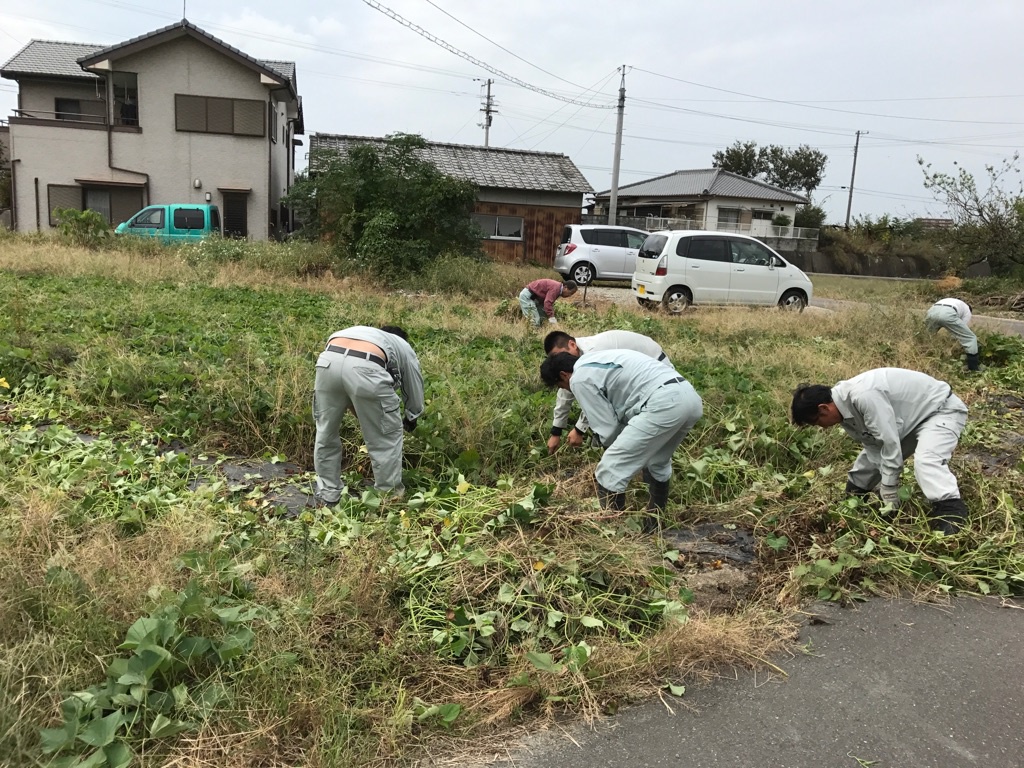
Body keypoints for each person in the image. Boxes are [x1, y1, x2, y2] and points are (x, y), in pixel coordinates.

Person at [540, 349, 703, 533]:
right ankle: (654, 525)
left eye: (562, 386)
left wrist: (611, 449)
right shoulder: (596, 359)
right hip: (689, 397)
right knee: (657, 462)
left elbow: (608, 429)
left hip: (663, 403)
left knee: (610, 470)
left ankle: (614, 537)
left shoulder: (578, 378)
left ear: (564, 375)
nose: (566, 390)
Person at [790, 367, 969, 534]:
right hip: (910, 419)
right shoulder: (843, 411)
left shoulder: (863, 396)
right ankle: (853, 502)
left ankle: (951, 513)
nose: (822, 427)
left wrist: (889, 486)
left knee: (926, 461)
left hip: (941, 410)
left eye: (816, 422)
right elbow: (873, 446)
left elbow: (889, 443)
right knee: (866, 464)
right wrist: (885, 482)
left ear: (823, 408)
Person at [313, 325, 424, 504]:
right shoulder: (402, 345)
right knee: (386, 439)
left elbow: (346, 379)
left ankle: (328, 493)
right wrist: (412, 415)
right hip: (367, 366)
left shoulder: (361, 333)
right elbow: (413, 383)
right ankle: (389, 498)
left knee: (326, 431)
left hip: (327, 362)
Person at [544, 329, 672, 454]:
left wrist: (579, 430)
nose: (560, 360)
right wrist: (556, 430)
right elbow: (567, 389)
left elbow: (595, 399)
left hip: (657, 368)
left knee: (635, 422)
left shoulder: (594, 352)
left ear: (572, 344)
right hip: (643, 374)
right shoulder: (574, 363)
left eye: (561, 355)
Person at [924, 297, 980, 371]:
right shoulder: (967, 310)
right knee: (970, 338)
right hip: (948, 313)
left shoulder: (954, 301)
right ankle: (973, 367)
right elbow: (961, 331)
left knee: (927, 337)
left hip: (932, 312)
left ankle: (924, 358)